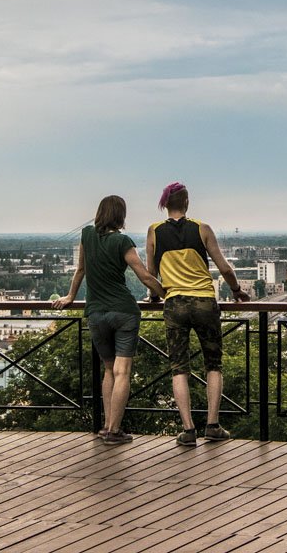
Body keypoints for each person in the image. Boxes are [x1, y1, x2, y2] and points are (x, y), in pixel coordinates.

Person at [53, 195, 165, 444]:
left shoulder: (87, 236)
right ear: (120, 216)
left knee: (108, 369)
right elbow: (145, 276)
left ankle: (106, 426)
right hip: (123, 312)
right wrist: (165, 295)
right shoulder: (122, 241)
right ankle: (115, 431)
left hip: (95, 313)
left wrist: (71, 295)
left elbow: (80, 269)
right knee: (122, 371)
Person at [146, 182, 251, 446]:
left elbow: (150, 273)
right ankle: (212, 425)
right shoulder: (202, 228)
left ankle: (188, 430)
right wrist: (237, 290)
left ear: (166, 205)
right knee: (213, 364)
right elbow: (225, 268)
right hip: (204, 302)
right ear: (187, 203)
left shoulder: (154, 231)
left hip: (175, 304)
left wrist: (156, 296)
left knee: (179, 367)